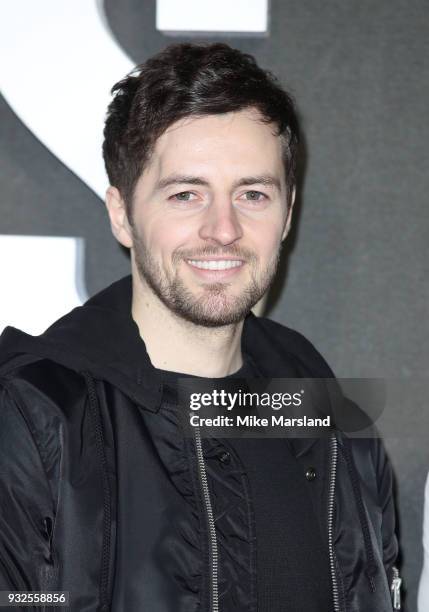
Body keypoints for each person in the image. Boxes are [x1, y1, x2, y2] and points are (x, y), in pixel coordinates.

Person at [0, 42, 400, 611]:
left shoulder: (327, 411)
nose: (223, 229)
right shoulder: (34, 416)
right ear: (122, 213)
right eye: (187, 194)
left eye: (253, 194)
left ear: (287, 215)